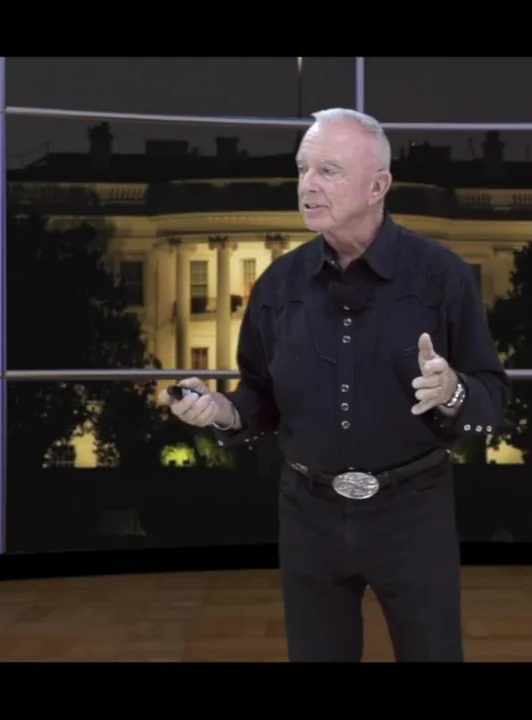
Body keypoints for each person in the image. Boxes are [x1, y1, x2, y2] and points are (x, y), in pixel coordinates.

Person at [160, 108, 511, 662]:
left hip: (413, 515)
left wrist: (453, 392)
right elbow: (260, 396)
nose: (307, 186)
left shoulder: (441, 276)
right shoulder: (278, 285)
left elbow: (492, 397)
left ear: (378, 186)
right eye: (303, 169)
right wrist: (222, 411)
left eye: (328, 170)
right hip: (308, 515)